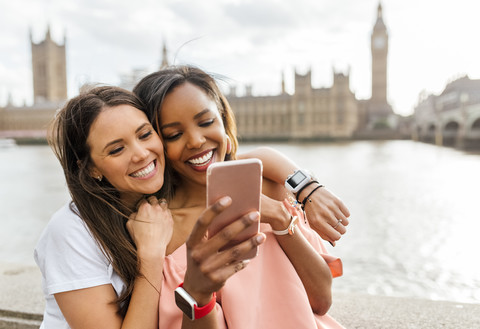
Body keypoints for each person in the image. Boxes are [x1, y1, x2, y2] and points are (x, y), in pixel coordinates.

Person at [133, 65, 347, 328]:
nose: (196, 140)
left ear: (224, 121)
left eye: (206, 122)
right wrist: (198, 294)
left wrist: (283, 219)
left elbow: (321, 300)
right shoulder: (158, 231)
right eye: (174, 134)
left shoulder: (269, 189)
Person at [34, 86, 264, 329]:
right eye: (116, 149)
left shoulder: (161, 195)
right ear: (91, 168)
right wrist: (151, 256)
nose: (141, 154)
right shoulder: (71, 232)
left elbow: (236, 159)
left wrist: (303, 184)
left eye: (144, 135)